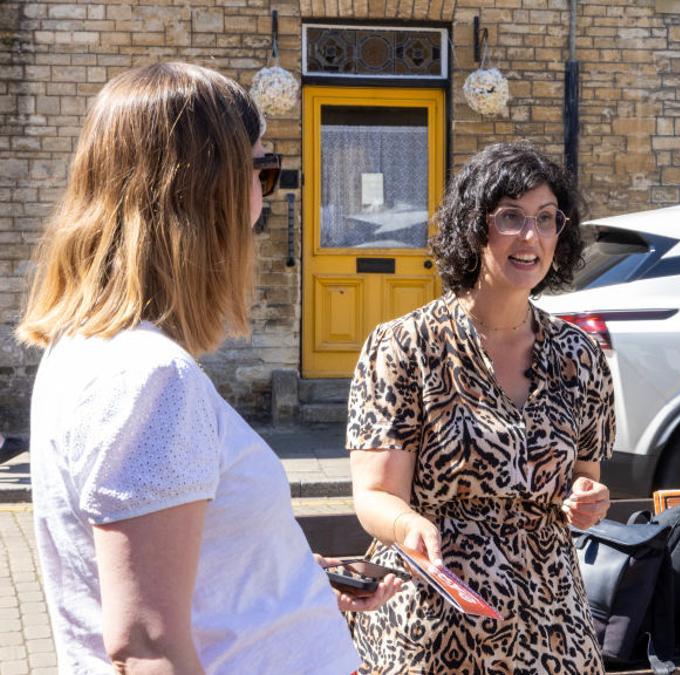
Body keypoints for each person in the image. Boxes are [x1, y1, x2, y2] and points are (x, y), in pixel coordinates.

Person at [17, 62, 399, 674]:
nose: (263, 198)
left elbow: (176, 572)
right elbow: (147, 645)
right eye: (263, 170)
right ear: (210, 188)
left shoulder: (84, 349)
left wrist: (289, 577)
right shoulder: (150, 377)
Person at [345, 141, 615, 673]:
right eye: (511, 217)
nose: (530, 236)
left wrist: (589, 498)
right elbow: (375, 494)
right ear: (474, 227)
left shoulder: (579, 355)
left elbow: (585, 478)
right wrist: (405, 527)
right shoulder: (406, 346)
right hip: (435, 617)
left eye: (545, 219)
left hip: (551, 623)